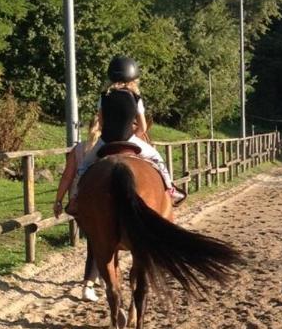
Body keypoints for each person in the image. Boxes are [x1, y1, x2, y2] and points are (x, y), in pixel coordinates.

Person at [71, 55, 186, 210]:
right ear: (133, 77)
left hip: (105, 141)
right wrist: (134, 137)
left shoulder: (103, 97)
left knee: (84, 167)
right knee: (157, 159)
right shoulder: (136, 98)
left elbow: (102, 123)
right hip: (130, 139)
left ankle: (75, 198)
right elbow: (143, 128)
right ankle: (171, 190)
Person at [53, 115, 102, 302]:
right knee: (99, 242)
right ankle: (89, 284)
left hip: (78, 201)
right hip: (99, 200)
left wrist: (58, 201)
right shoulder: (106, 148)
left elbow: (67, 176)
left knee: (94, 239)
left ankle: (97, 277)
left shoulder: (79, 149)